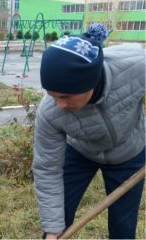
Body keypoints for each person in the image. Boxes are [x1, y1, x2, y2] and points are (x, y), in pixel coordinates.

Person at [32, 24, 145, 239]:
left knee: (123, 228)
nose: (60, 105)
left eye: (66, 96)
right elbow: (47, 168)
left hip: (129, 152)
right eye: (52, 95)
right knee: (57, 223)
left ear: (90, 83)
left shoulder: (135, 67)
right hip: (80, 153)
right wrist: (53, 229)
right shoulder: (50, 112)